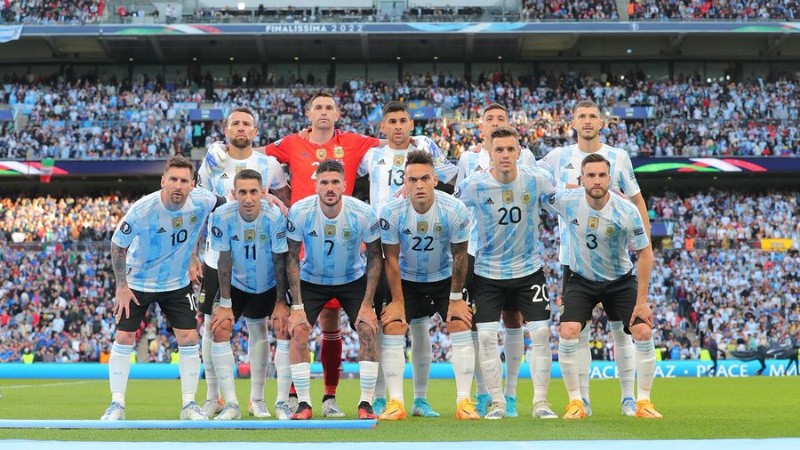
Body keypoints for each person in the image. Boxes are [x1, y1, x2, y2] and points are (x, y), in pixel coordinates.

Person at [205, 91, 440, 417]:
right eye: (318, 107)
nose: (324, 112)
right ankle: (289, 397)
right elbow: (254, 153)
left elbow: (394, 140)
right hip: (303, 250)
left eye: (329, 106)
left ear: (337, 112)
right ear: (309, 112)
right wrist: (221, 150)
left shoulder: (357, 143)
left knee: (335, 324)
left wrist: (423, 140)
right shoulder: (290, 143)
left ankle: (330, 397)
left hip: (346, 249)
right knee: (291, 323)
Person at [538, 100, 650, 417]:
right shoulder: (558, 157)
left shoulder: (619, 157)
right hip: (573, 259)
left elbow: (637, 201)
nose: (587, 121)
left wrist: (643, 239)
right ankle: (581, 400)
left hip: (615, 260)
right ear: (572, 122)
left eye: (592, 116)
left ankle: (629, 398)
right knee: (578, 331)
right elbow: (533, 176)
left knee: (623, 331)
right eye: (581, 116)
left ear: (602, 123)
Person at [102, 156, 225, 420]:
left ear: (192, 184)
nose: (178, 185)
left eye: (183, 180)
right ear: (163, 181)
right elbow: (117, 244)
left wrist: (268, 199)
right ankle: (117, 405)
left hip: (176, 282)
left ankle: (189, 405)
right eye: (173, 179)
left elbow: (229, 205)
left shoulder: (203, 200)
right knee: (124, 338)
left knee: (189, 338)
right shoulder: (143, 209)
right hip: (138, 282)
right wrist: (122, 286)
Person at [358, 101, 457, 417]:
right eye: (392, 121)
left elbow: (452, 177)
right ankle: (378, 398)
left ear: (411, 124)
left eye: (403, 120)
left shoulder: (426, 149)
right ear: (382, 127)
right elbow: (342, 170)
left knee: (419, 326)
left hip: (419, 251)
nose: (398, 126)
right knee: (380, 327)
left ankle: (420, 399)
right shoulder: (371, 156)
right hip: (381, 251)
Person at [454, 127, 557, 420]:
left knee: (540, 332)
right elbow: (450, 207)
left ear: (519, 152)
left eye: (511, 149)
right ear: (490, 153)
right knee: (486, 337)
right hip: (487, 274)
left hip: (529, 272)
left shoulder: (536, 180)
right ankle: (498, 402)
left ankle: (540, 403)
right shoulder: (475, 184)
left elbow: (562, 201)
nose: (505, 155)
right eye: (499, 150)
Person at [549, 153, 661, 419]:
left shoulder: (626, 210)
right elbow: (540, 190)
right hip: (581, 278)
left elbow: (646, 254)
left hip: (619, 280)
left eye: (602, 175)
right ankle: (576, 402)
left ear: (610, 179)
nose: (596, 180)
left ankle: (643, 402)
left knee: (643, 331)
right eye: (591, 175)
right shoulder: (566, 201)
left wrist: (642, 301)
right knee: (568, 331)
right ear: (582, 179)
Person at [196, 107, 290, 419]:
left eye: (246, 123)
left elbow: (282, 202)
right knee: (212, 327)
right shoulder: (213, 160)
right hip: (217, 256)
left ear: (254, 131)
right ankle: (214, 397)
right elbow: (198, 205)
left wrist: (276, 200)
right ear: (226, 129)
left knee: (258, 326)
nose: (240, 127)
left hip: (260, 259)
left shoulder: (268, 164)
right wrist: (192, 256)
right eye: (235, 122)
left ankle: (257, 399)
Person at [377, 150, 476, 420]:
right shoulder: (391, 211)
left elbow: (460, 255)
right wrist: (397, 301)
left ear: (434, 179)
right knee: (393, 325)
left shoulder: (454, 209)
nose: (418, 185)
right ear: (404, 183)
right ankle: (396, 402)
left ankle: (464, 402)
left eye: (424, 179)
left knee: (459, 322)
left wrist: (456, 298)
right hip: (407, 279)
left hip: (444, 277)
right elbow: (392, 259)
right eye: (412, 180)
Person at [284, 160, 383, 420]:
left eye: (335, 182)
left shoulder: (362, 212)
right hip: (312, 278)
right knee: (298, 329)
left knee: (368, 328)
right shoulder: (300, 211)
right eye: (324, 182)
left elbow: (375, 256)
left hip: (351, 278)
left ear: (345, 185)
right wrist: (296, 306)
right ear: (316, 185)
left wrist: (368, 303)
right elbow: (292, 256)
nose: (330, 188)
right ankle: (304, 404)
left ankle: (366, 404)